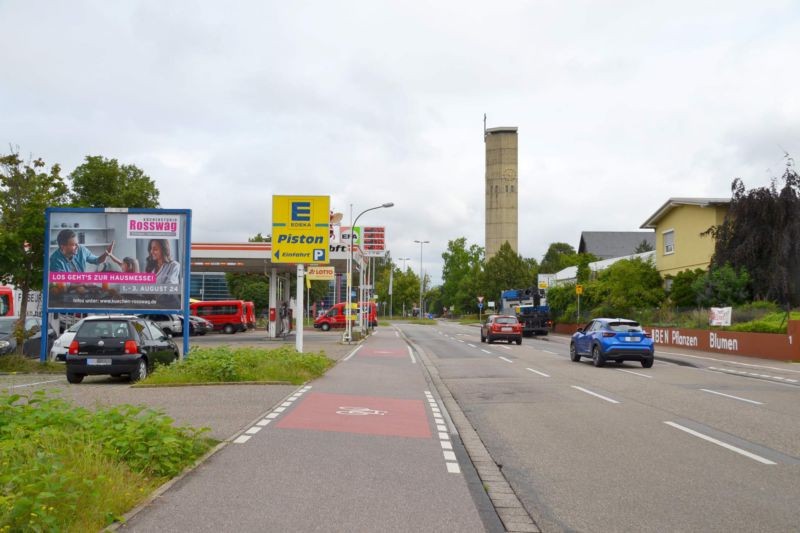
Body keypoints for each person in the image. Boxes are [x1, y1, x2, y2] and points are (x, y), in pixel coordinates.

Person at [49, 229, 114, 272]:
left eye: (77, 243)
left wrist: (105, 254)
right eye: (73, 244)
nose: (78, 246)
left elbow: (97, 260)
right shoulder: (55, 260)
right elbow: (62, 284)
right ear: (62, 246)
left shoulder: (81, 249)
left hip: (82, 285)